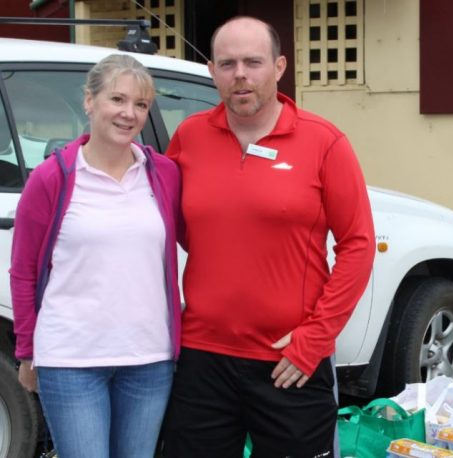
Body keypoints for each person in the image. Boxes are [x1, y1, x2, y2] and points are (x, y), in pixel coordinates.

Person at [162, 16, 375, 457]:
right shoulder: (189, 138)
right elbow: (177, 227)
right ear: (212, 72)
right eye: (227, 63)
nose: (240, 74)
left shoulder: (324, 143)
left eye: (252, 62)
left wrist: (314, 339)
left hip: (290, 361)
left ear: (278, 67)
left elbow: (358, 245)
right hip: (203, 356)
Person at [10, 54, 183, 458]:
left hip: (149, 359)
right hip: (71, 361)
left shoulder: (163, 173)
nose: (129, 114)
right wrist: (27, 351)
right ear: (89, 101)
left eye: (140, 105)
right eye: (117, 100)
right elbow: (22, 272)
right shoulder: (53, 176)